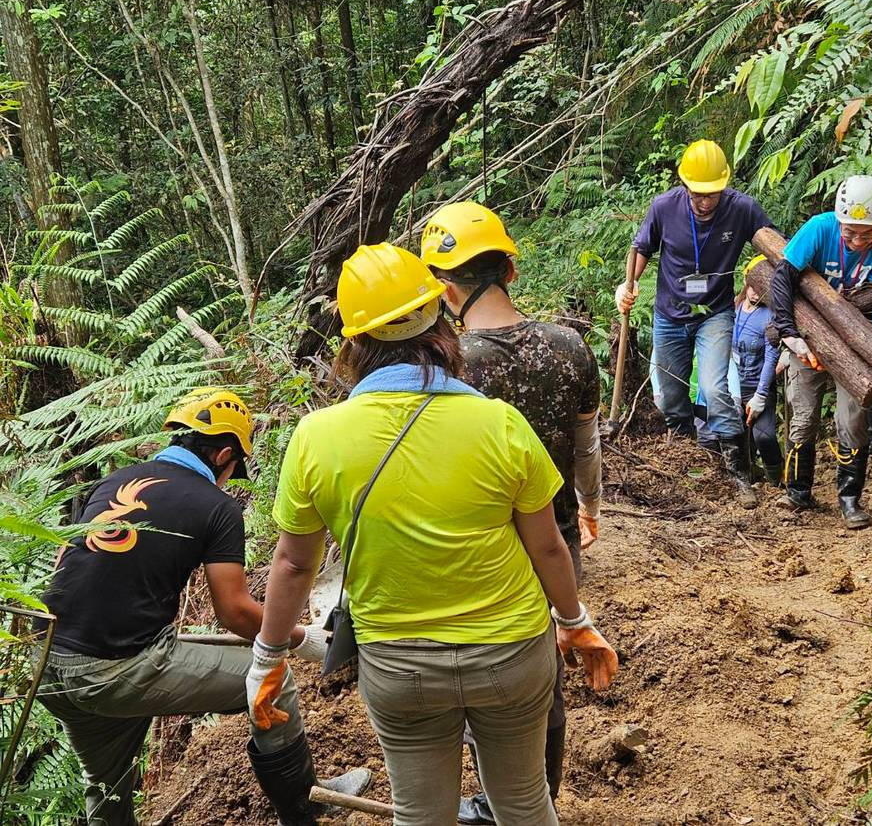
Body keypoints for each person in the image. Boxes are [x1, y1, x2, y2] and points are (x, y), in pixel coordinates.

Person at [251, 243, 618, 826]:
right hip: (513, 653)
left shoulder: (317, 438)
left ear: (352, 344)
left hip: (398, 666)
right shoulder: (497, 423)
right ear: (441, 322)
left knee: (419, 814)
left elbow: (294, 566)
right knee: (524, 802)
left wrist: (267, 658)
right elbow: (548, 545)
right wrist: (575, 624)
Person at [37, 388, 367, 826]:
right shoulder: (216, 507)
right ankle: (305, 805)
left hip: (47, 665)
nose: (231, 478)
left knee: (108, 786)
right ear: (224, 454)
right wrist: (303, 640)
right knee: (273, 679)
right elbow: (234, 613)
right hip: (117, 669)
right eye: (234, 468)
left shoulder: (118, 479)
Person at [418, 201, 603, 824]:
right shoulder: (570, 346)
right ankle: (535, 800)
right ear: (511, 273)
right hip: (555, 533)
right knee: (542, 673)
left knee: (478, 666)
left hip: (480, 542)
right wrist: (590, 506)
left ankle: (495, 799)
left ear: (445, 290)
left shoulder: (449, 367)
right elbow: (585, 447)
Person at [615, 139, 774, 508]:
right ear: (685, 185)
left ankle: (738, 470)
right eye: (698, 194)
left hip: (716, 313)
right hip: (670, 314)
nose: (705, 202)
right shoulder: (663, 207)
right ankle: (687, 458)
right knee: (671, 395)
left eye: (713, 194)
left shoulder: (742, 209)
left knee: (715, 388)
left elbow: (773, 246)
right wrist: (629, 283)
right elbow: (641, 249)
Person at [769, 175, 872, 526]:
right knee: (804, 414)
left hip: (852, 342)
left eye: (865, 233)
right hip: (807, 332)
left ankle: (850, 499)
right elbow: (781, 278)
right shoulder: (818, 229)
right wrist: (789, 333)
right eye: (849, 232)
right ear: (839, 221)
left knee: (853, 418)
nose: (857, 241)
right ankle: (796, 491)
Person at [734, 255, 783, 484]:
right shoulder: (732, 309)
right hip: (734, 385)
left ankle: (776, 480)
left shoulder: (770, 315)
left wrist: (761, 395)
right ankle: (747, 477)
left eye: (762, 288)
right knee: (738, 439)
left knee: (764, 436)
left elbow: (772, 356)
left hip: (758, 386)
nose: (756, 293)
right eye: (753, 286)